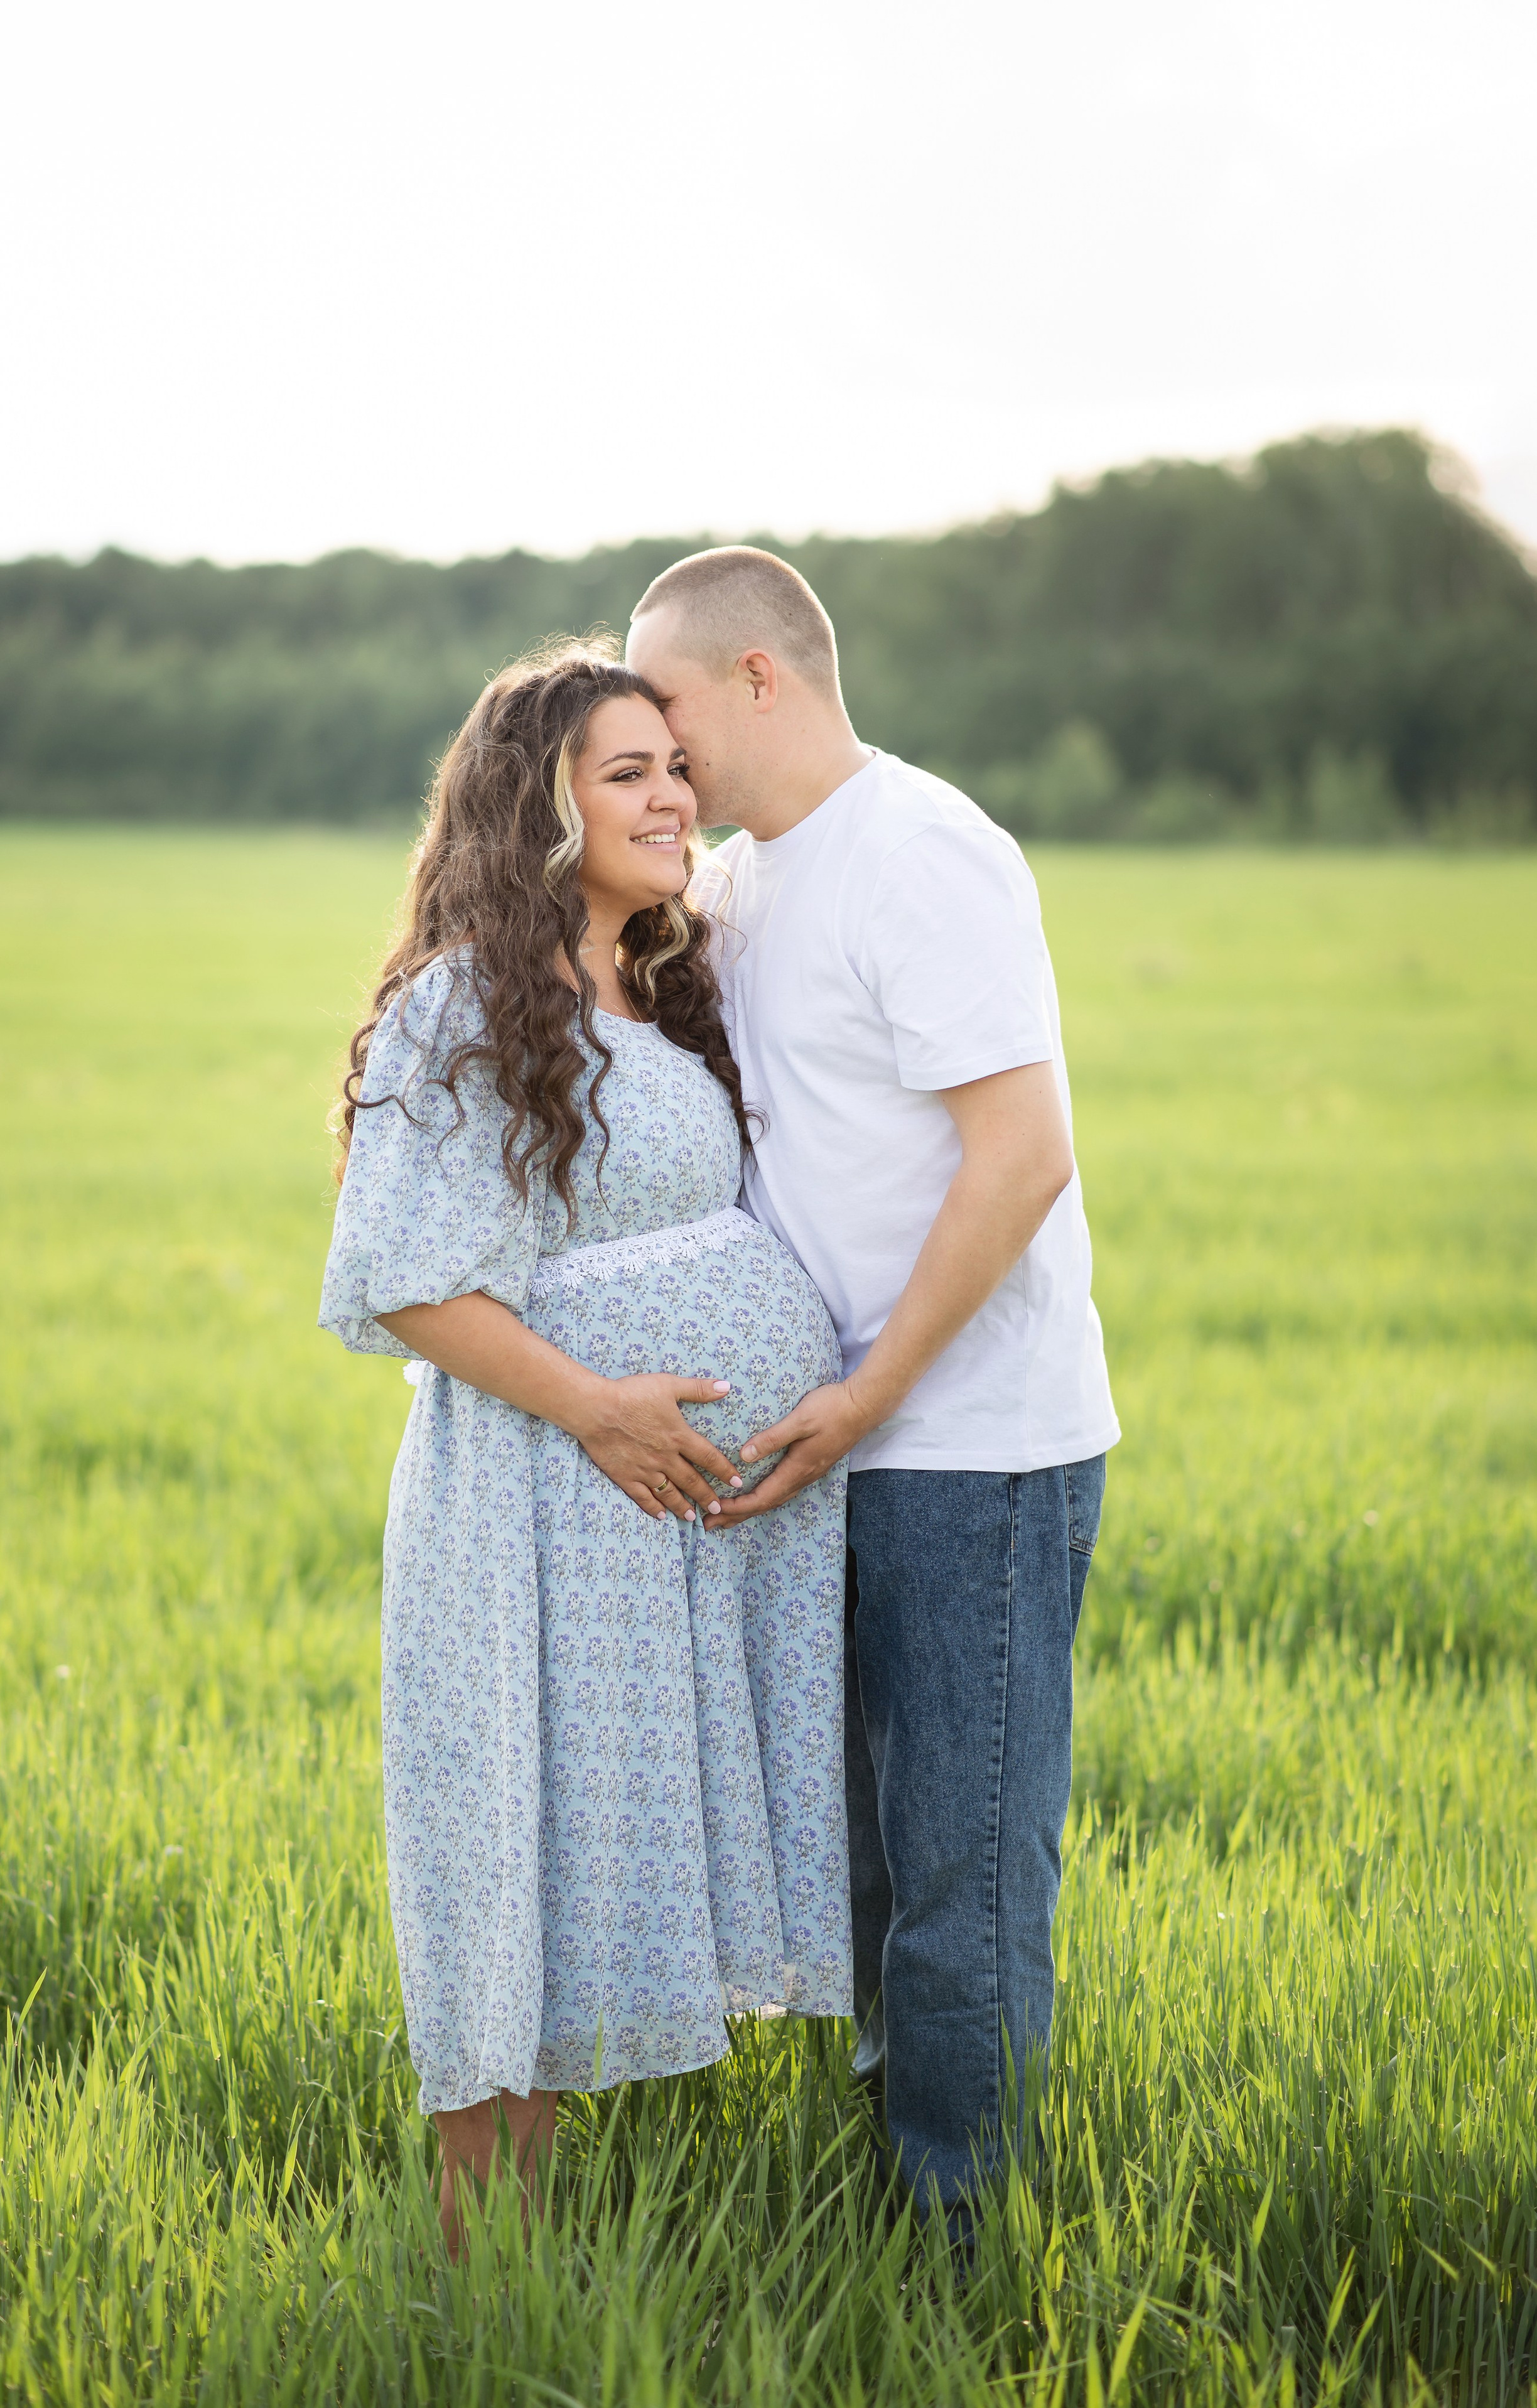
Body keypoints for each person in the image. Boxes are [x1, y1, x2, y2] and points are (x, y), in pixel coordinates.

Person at [318, 645, 851, 2254]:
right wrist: (600, 1408)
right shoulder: (464, 1001)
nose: (673, 797)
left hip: (659, 1524)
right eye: (627, 773)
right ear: (532, 806)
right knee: (518, 1852)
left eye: (673, 767)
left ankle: (535, 2252)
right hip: (542, 1502)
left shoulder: (654, 985)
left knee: (592, 1856)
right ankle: (482, 2277)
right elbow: (404, 1276)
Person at [627, 552, 1119, 2228]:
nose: (657, 748)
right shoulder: (744, 882)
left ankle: (962, 2255)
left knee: (958, 1875)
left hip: (968, 1447)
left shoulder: (920, 850)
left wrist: (871, 1390)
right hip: (828, 1450)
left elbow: (1022, 1153)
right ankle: (889, 2199)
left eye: (669, 707)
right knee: (862, 1867)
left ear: (758, 676)